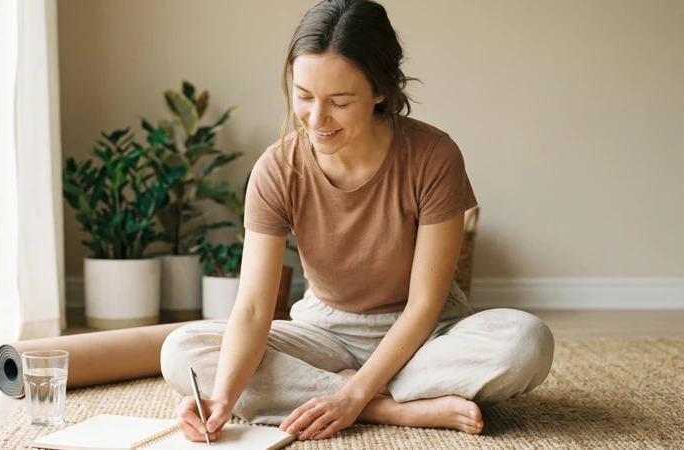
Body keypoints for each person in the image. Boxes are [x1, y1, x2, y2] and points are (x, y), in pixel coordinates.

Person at [161, 0, 554, 442]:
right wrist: (222, 399)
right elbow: (253, 308)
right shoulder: (276, 169)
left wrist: (350, 395)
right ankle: (395, 410)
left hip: (429, 334)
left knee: (526, 342)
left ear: (380, 91)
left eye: (340, 101)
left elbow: (425, 305)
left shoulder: (434, 156)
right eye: (304, 96)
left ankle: (352, 396)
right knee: (182, 351)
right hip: (325, 335)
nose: (316, 118)